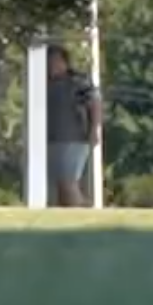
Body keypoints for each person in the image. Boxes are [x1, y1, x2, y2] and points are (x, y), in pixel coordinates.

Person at [47, 44, 101, 207]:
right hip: (52, 139)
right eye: (49, 62)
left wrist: (94, 130)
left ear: (65, 62)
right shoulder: (43, 83)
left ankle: (82, 214)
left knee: (68, 181)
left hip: (74, 138)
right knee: (60, 185)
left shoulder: (78, 82)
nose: (51, 66)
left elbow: (95, 103)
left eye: (55, 61)